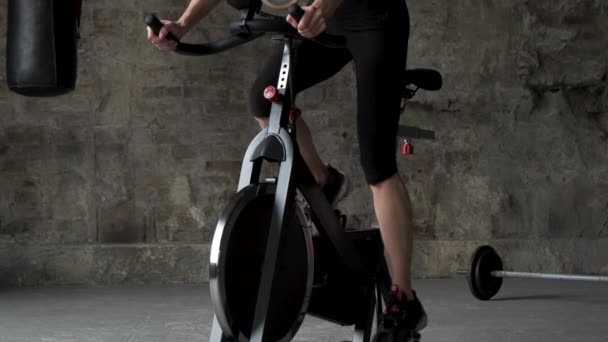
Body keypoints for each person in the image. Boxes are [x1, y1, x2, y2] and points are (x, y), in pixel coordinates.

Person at [147, 0, 427, 337]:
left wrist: (326, 4)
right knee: (262, 101)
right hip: (322, 23)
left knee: (377, 166)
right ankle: (326, 181)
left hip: (374, 16)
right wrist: (181, 24)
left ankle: (403, 298)